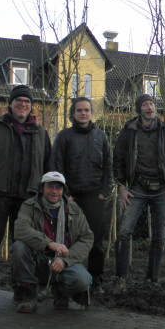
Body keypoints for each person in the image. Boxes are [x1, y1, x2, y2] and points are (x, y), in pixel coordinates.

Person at [0, 84, 51, 305]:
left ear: (31, 106)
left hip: (28, 197)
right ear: (11, 104)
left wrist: (46, 195)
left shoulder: (40, 133)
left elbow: (48, 166)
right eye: (19, 101)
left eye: (27, 102)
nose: (23, 104)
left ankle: (22, 289)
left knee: (22, 245)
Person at [113, 93, 165, 284]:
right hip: (137, 187)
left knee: (160, 236)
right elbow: (118, 159)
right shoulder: (129, 130)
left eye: (152, 104)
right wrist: (121, 186)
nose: (150, 107)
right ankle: (121, 279)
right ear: (139, 109)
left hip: (162, 188)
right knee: (124, 231)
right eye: (145, 104)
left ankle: (152, 280)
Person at [11, 171, 92, 313]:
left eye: (58, 188)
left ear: (63, 190)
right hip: (37, 258)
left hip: (63, 259)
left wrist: (65, 260)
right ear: (42, 188)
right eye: (50, 187)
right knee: (19, 247)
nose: (54, 191)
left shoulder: (74, 209)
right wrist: (48, 243)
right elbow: (20, 229)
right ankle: (28, 295)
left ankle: (60, 292)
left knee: (82, 280)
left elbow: (86, 238)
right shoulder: (29, 205)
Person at [51, 97, 112, 288]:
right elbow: (57, 165)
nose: (83, 113)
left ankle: (96, 279)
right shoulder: (64, 136)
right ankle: (67, 278)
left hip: (95, 196)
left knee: (95, 240)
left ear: (91, 113)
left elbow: (108, 166)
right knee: (67, 238)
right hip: (71, 197)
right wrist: (65, 194)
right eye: (79, 110)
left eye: (86, 110)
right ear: (73, 113)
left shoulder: (101, 136)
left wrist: (104, 192)